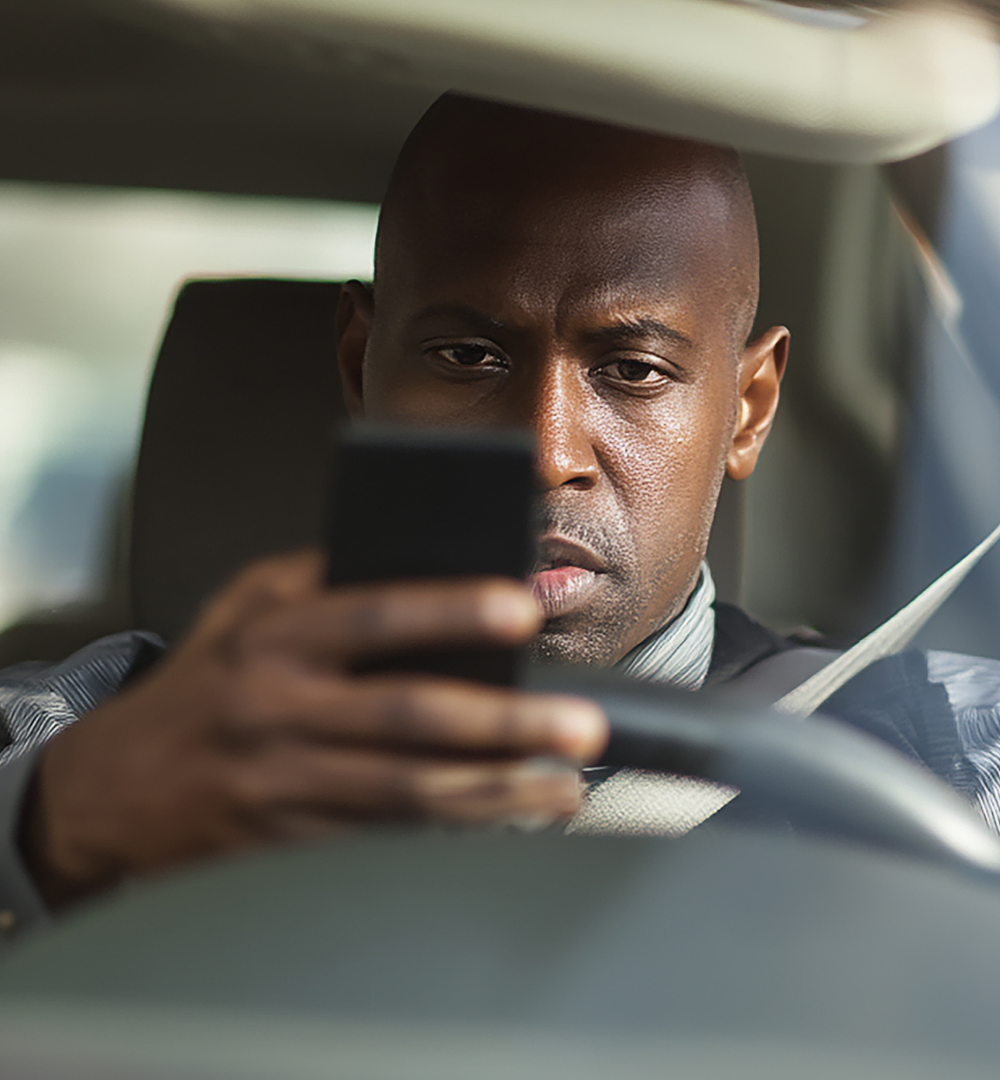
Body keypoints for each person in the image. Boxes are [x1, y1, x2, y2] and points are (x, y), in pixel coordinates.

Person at [0, 93, 997, 933]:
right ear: (359, 365)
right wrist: (53, 823)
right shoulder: (121, 725)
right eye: (469, 358)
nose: (547, 454)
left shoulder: (932, 741)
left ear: (746, 411)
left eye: (633, 370)